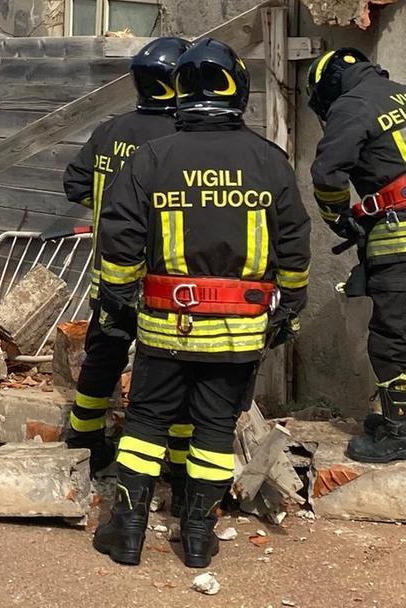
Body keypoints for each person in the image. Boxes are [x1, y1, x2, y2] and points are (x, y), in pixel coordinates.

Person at [91, 38, 310, 569]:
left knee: (145, 422)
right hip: (238, 331)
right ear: (239, 93)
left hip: (167, 326)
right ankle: (196, 539)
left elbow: (118, 235)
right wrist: (290, 306)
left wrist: (119, 298)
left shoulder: (153, 158)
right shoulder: (269, 161)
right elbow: (295, 244)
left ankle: (127, 533)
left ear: (180, 94)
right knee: (213, 430)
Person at [62, 36, 190, 477]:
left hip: (109, 280)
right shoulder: (185, 138)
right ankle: (173, 461)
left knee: (103, 359)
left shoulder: (110, 131)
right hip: (165, 284)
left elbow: (74, 183)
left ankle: (84, 439)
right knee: (171, 369)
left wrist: (111, 213)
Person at [307, 48, 406, 462]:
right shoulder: (401, 92)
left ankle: (400, 432)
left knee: (393, 338)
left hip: (400, 237)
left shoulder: (352, 105)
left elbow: (328, 177)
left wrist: (339, 219)